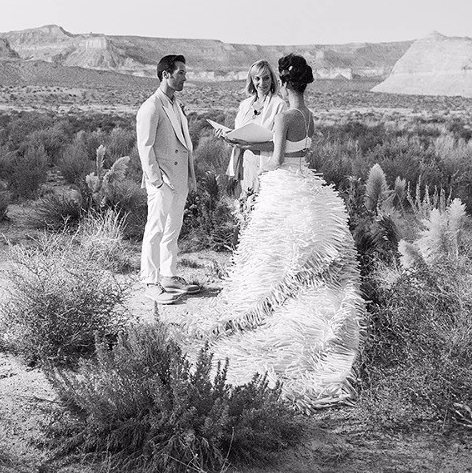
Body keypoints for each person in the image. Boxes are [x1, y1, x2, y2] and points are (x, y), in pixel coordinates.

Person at [198, 53, 365, 410]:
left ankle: (272, 320)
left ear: (285, 83)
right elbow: (292, 152)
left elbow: (273, 160)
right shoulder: (308, 116)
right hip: (305, 186)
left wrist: (239, 142)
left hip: (281, 189)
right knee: (299, 260)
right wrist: (245, 143)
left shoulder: (285, 115)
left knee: (270, 258)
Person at [136, 54, 201, 305]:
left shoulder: (175, 104)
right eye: (181, 72)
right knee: (155, 229)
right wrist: (156, 180)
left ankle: (169, 275)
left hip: (179, 177)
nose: (185, 77)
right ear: (166, 74)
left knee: (173, 228)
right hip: (163, 179)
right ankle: (150, 281)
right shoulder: (151, 106)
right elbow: (145, 147)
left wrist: (188, 176)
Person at [222, 60, 286, 194]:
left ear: (272, 80)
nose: (262, 83)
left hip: (265, 165)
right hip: (243, 165)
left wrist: (248, 145)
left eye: (266, 78)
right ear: (251, 80)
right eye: (257, 78)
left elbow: (277, 144)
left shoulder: (279, 105)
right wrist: (226, 135)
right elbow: (237, 136)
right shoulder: (245, 105)